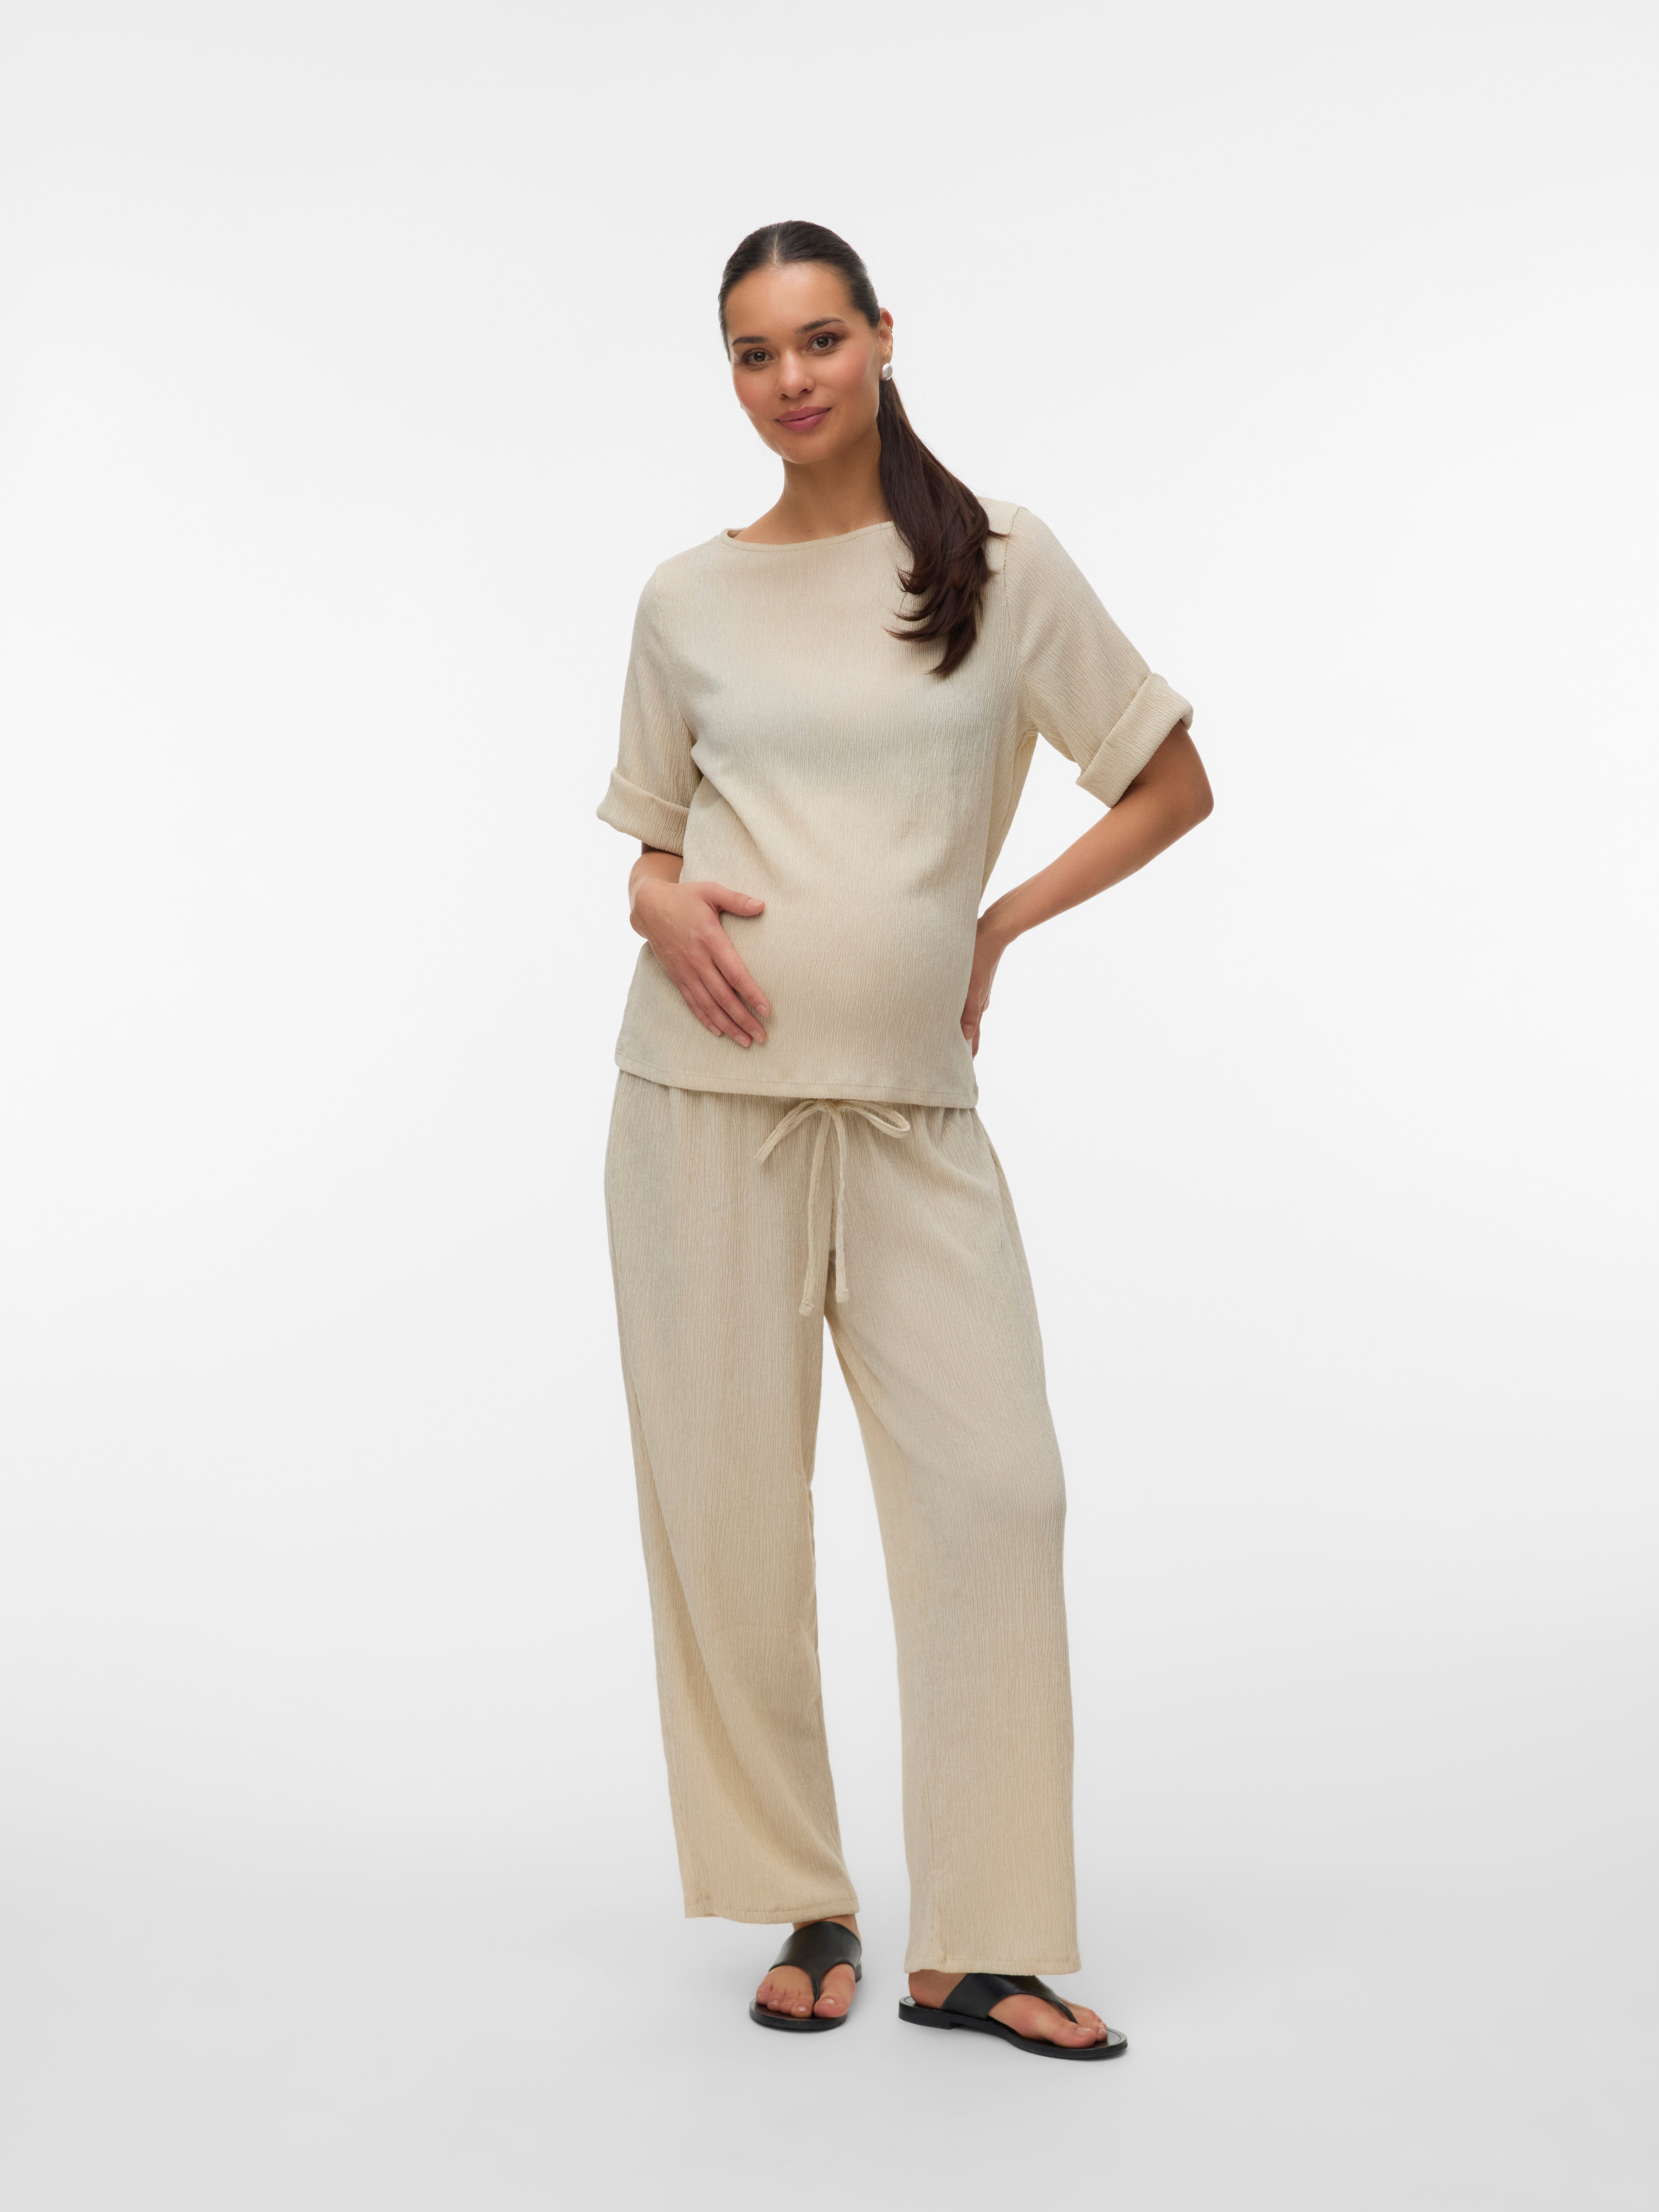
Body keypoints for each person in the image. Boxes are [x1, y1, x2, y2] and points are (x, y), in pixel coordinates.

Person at [597, 220, 1212, 2061]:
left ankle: (982, 1944)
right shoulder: (686, 597)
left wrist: (994, 925)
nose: (788, 380)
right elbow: (651, 846)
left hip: (909, 1110)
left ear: (880, 337)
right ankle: (807, 1896)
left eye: (817, 339)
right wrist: (655, 902)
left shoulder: (999, 565)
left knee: (996, 1494)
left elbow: (1171, 779)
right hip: (698, 1110)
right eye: (752, 353)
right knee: (727, 1517)